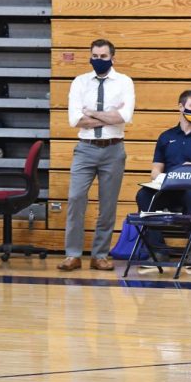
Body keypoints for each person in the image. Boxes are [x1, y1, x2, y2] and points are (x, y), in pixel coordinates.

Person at [58, 39, 134, 272]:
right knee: (76, 199)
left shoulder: (124, 82)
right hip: (85, 148)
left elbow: (124, 117)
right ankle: (73, 255)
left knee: (108, 205)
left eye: (102, 56)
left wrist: (91, 112)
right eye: (94, 56)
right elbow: (75, 120)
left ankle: (99, 255)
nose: (97, 60)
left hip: (113, 149)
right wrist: (106, 114)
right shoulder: (80, 82)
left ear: (112, 57)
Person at [135, 90, 191, 260]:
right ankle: (158, 250)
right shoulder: (166, 137)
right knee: (143, 195)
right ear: (181, 107)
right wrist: (159, 179)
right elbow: (156, 169)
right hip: (169, 188)